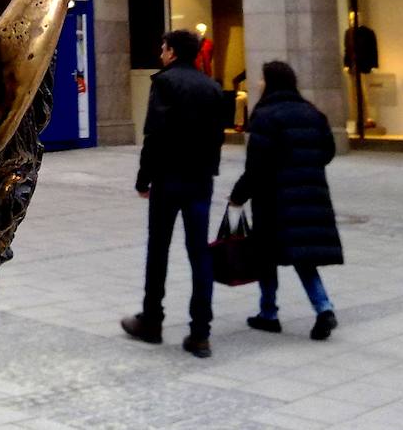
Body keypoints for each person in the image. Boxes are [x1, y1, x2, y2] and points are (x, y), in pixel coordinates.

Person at [121, 29, 234, 358]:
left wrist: (144, 179)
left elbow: (154, 135)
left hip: (168, 179)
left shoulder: (165, 83)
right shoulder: (212, 87)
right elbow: (218, 137)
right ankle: (201, 332)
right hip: (200, 180)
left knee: (158, 250)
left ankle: (152, 320)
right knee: (199, 253)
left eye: (162, 47)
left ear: (172, 52)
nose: (160, 53)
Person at [229, 60, 343, 341]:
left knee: (266, 255)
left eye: (262, 79)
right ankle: (323, 308)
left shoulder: (266, 116)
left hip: (274, 198)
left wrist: (238, 195)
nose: (258, 84)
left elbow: (256, 166)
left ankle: (269, 313)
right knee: (303, 257)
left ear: (271, 83)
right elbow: (327, 151)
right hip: (310, 194)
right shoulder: (312, 113)